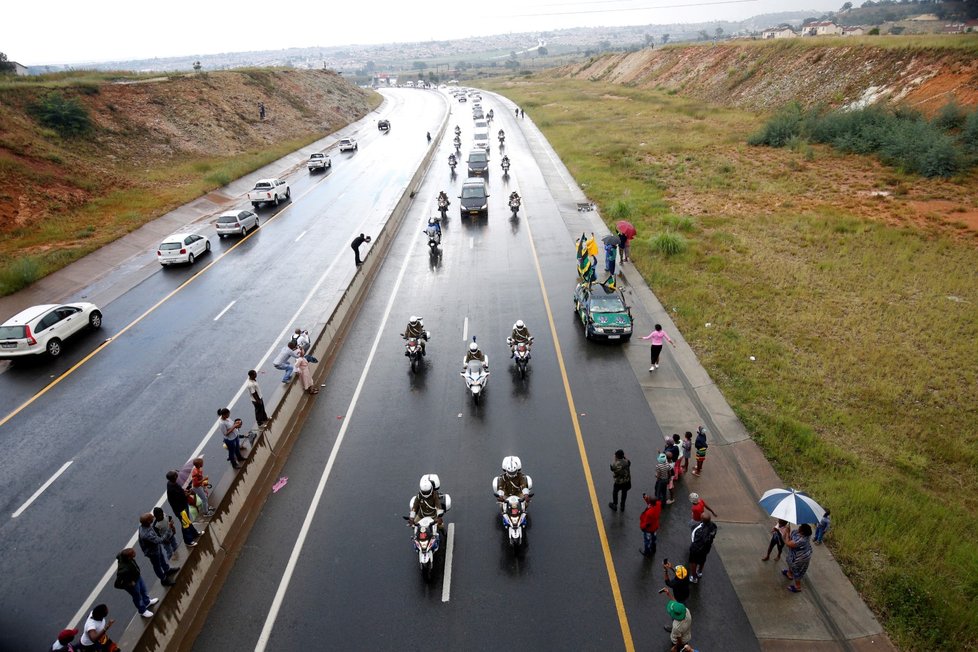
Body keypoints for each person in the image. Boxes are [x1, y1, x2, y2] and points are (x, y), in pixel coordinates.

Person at [114, 548, 157, 617]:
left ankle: (147, 602)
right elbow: (117, 584)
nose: (135, 554)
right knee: (137, 598)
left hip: (137, 577)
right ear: (129, 557)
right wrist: (129, 584)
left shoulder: (126, 558)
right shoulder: (123, 570)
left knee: (143, 590)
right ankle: (142, 611)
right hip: (133, 584)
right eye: (133, 554)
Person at [138, 512, 178, 584]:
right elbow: (160, 540)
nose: (153, 518)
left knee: (162, 558)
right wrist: (169, 528)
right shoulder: (146, 534)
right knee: (157, 566)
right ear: (147, 521)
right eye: (151, 518)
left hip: (155, 547)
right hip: (152, 552)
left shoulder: (142, 525)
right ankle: (163, 579)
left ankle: (167, 570)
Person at [166, 470, 201, 546]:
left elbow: (180, 492)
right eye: (176, 474)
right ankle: (188, 540)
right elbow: (180, 497)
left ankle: (194, 533)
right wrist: (188, 493)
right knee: (185, 524)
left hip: (182, 506)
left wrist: (184, 491)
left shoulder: (171, 483)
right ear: (175, 477)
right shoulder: (172, 488)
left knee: (187, 520)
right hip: (180, 509)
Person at [687, 513, 718, 583]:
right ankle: (699, 572)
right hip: (706, 548)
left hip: (696, 549)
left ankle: (694, 578)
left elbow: (693, 538)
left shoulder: (698, 527)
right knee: (703, 559)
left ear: (702, 519)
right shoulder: (713, 526)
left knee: (693, 562)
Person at [784, 523, 814, 592]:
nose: (799, 527)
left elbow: (788, 544)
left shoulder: (801, 540)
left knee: (796, 570)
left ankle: (798, 587)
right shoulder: (805, 535)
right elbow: (794, 536)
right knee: (790, 562)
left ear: (802, 532)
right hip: (802, 554)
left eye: (801, 527)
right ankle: (789, 573)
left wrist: (787, 533)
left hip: (800, 558)